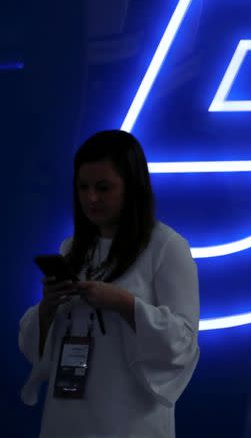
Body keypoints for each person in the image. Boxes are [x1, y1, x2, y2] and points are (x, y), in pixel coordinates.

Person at [18, 130, 200, 438]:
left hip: (129, 418)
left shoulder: (167, 247)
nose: (91, 198)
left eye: (103, 188)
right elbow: (35, 349)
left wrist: (124, 303)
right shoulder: (72, 248)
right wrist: (48, 306)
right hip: (66, 413)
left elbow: (183, 342)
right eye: (83, 187)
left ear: (132, 188)